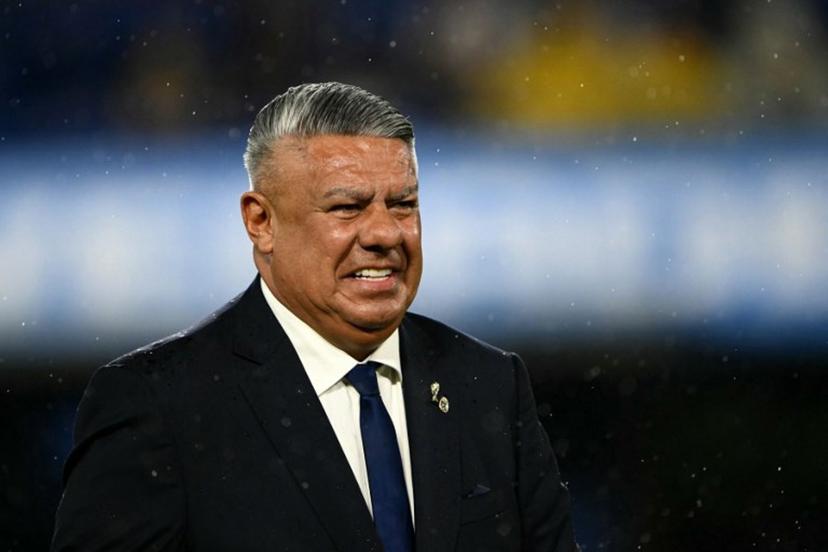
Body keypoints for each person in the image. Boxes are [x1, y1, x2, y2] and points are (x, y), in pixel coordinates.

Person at [51, 82, 579, 551]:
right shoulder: (160, 403)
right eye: (347, 208)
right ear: (261, 222)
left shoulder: (487, 384)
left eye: (403, 204)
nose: (385, 234)